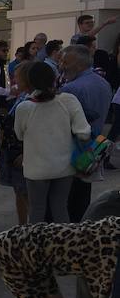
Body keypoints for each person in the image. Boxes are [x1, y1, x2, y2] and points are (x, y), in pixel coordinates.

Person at [14, 62, 91, 224]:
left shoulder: (24, 108)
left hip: (36, 169)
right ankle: (63, 246)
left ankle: (36, 246)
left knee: (37, 210)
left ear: (29, 81)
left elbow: (19, 135)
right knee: (60, 207)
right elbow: (84, 133)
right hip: (64, 167)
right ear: (55, 78)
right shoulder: (68, 100)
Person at [60, 44, 113, 221]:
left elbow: (65, 124)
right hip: (94, 148)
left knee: (67, 203)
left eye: (65, 61)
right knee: (82, 200)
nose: (61, 65)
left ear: (79, 64)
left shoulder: (71, 89)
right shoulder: (103, 83)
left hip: (73, 151)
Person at [0, 61, 31, 225]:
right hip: (14, 153)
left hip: (23, 155)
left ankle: (32, 229)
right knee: (20, 192)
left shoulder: (31, 100)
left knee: (27, 194)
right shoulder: (21, 96)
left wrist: (26, 153)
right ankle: (23, 226)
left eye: (17, 78)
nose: (14, 81)